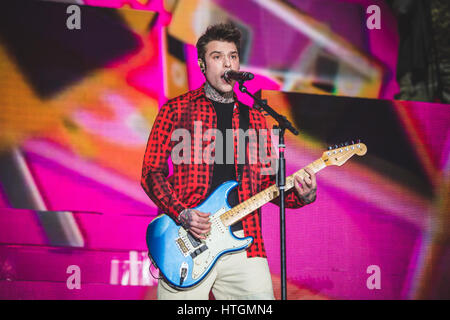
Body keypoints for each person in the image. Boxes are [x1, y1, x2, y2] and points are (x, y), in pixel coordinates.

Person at [141, 23, 317, 300]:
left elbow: (269, 184)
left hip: (246, 243)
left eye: (232, 56)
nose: (227, 63)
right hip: (188, 240)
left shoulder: (256, 118)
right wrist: (181, 213)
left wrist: (302, 195)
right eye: (217, 56)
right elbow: (152, 171)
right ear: (202, 64)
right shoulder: (176, 110)